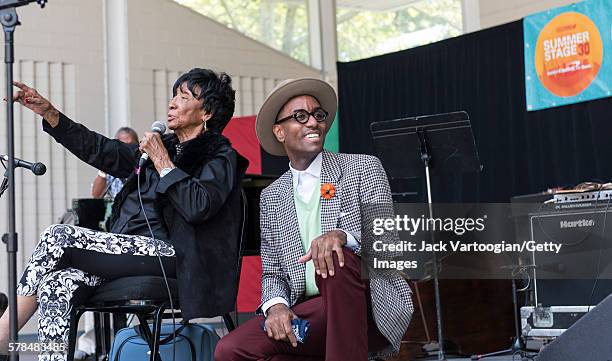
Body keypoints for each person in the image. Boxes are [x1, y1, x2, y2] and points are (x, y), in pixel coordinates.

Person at [0, 68, 248, 361]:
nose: (171, 103)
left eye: (183, 97)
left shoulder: (219, 156)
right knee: (59, 283)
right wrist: (50, 112)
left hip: (174, 255)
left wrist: (161, 160)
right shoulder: (158, 149)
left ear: (206, 112)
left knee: (58, 235)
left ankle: (3, 336)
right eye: (173, 95)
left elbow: (198, 206)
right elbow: (101, 149)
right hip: (126, 251)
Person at [214, 78, 413, 361]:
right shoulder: (272, 196)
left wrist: (345, 238)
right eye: (300, 116)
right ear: (280, 132)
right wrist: (277, 307)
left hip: (370, 306)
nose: (313, 123)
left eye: (318, 115)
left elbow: (389, 245)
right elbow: (272, 273)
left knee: (333, 259)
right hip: (310, 312)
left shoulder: (363, 168)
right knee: (230, 350)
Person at [91, 126, 139, 199]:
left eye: (130, 144)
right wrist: (103, 169)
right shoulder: (110, 166)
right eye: (122, 145)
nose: (126, 148)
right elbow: (96, 195)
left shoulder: (142, 165)